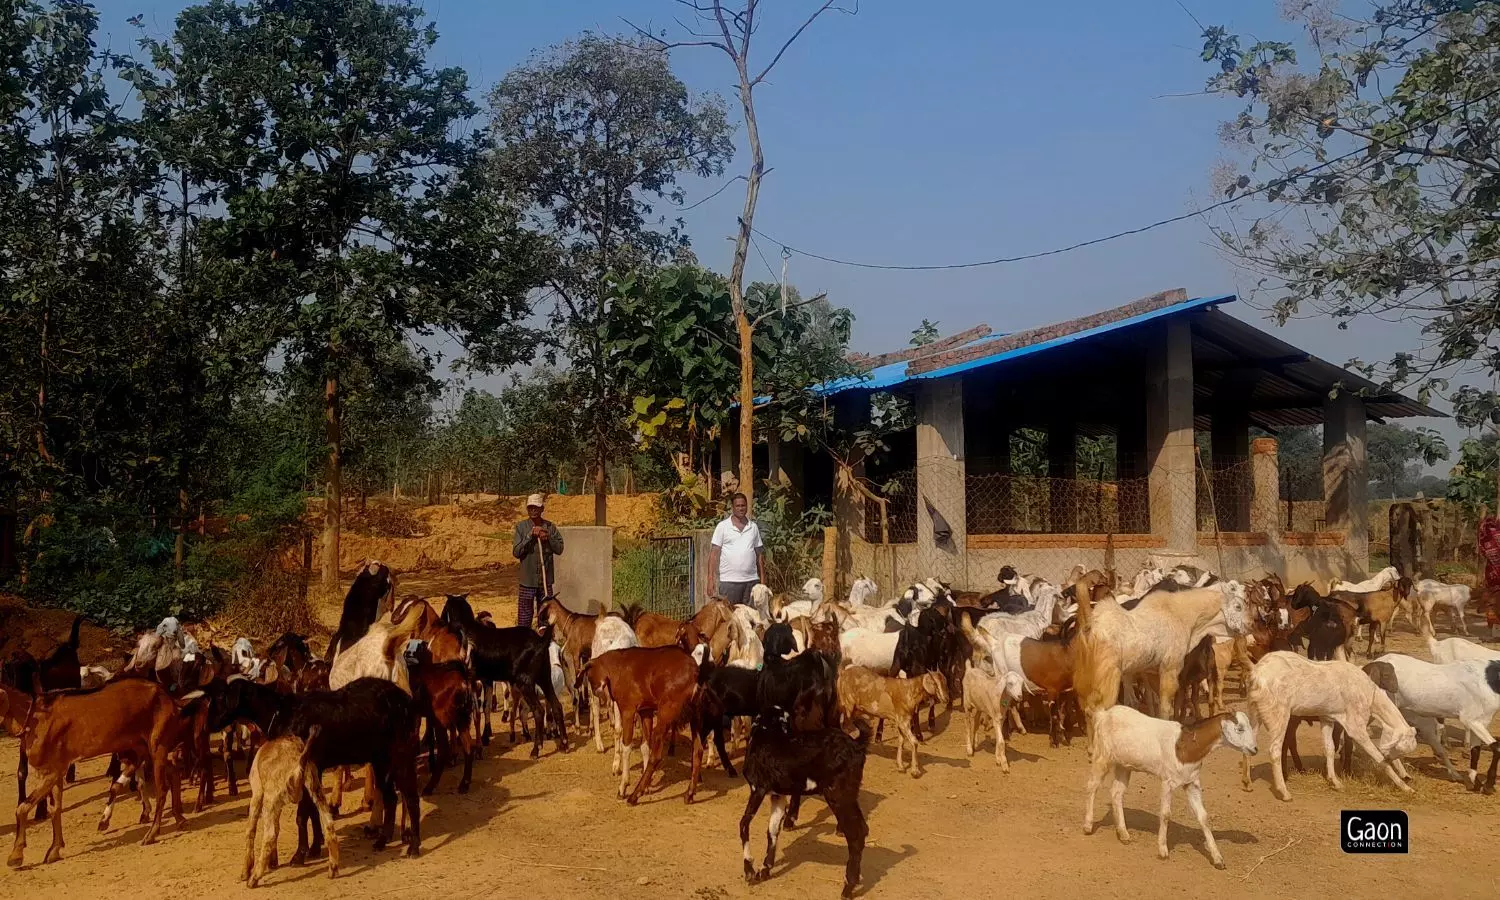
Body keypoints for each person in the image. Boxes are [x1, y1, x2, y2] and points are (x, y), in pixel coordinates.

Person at [513, 493, 564, 628]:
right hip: (527, 581)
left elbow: (559, 549)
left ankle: (544, 645)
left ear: (542, 509)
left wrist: (548, 538)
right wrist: (530, 536)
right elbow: (516, 552)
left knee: (545, 620)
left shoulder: (550, 527)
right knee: (524, 620)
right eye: (530, 508)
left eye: (536, 508)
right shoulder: (521, 528)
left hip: (545, 582)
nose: (533, 511)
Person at [708, 492, 764, 606]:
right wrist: (710, 580)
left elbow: (759, 555)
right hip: (729, 583)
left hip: (751, 582)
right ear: (732, 508)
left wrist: (762, 581)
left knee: (752, 618)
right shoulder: (723, 527)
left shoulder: (753, 527)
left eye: (743, 505)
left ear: (747, 506)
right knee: (731, 619)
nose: (741, 508)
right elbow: (713, 555)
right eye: (737, 506)